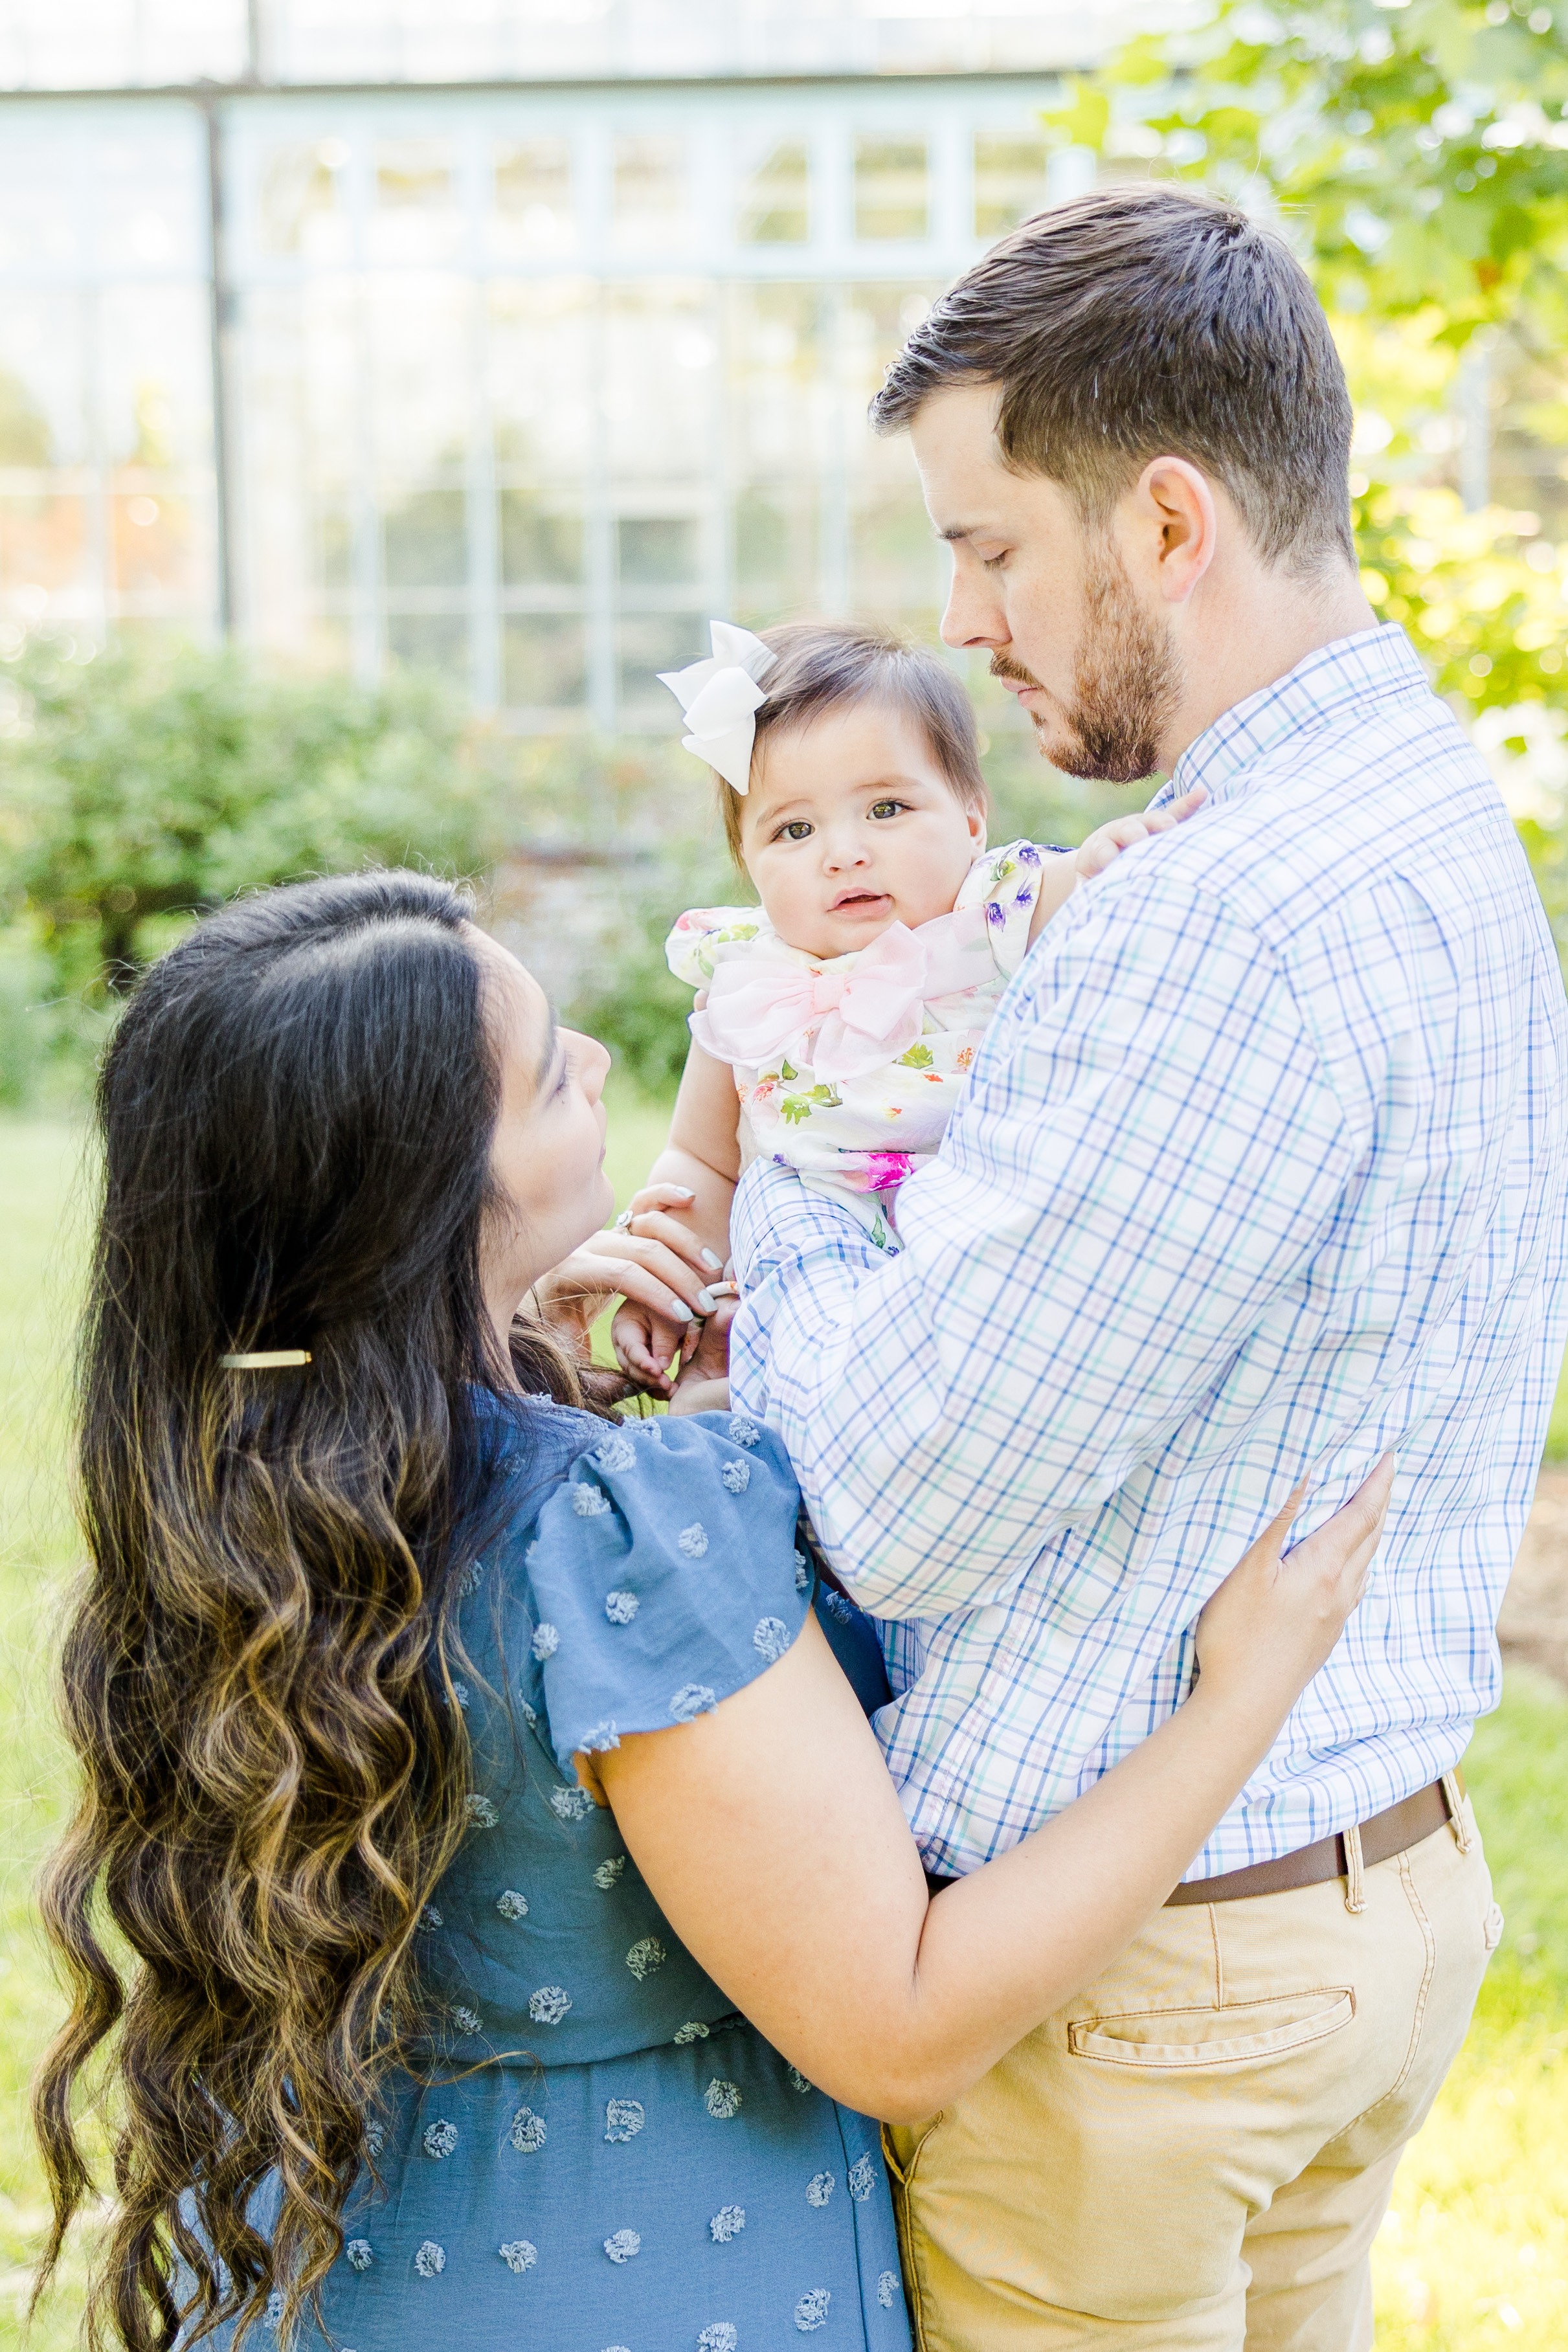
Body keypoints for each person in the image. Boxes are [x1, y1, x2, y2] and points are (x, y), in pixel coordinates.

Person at [30, 871, 1388, 2352]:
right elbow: (900, 2025)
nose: (605, 1066)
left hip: (341, 2267)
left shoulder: (228, 1492)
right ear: (428, 1205)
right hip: (664, 2275)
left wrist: (517, 1333)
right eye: (555, 1076)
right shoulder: (627, 1534)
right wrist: (1244, 1694)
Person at [724, 184, 1568, 2350]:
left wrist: (795, 1159)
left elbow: (888, 1508)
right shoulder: (1422, 800)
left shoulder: (1218, 922)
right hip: (1371, 1898)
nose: (963, 620)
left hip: (1143, 1998)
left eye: (990, 543)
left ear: (1167, 524)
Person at [611, 620, 1199, 1389]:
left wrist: (1117, 857)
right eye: (793, 829)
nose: (844, 851)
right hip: (814, 1240)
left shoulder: (994, 911)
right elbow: (702, 1160)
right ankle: (793, 1405)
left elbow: (1085, 886)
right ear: (747, 865)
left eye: (886, 810)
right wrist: (670, 1283)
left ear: (970, 821)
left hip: (980, 1231)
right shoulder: (749, 977)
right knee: (776, 1204)